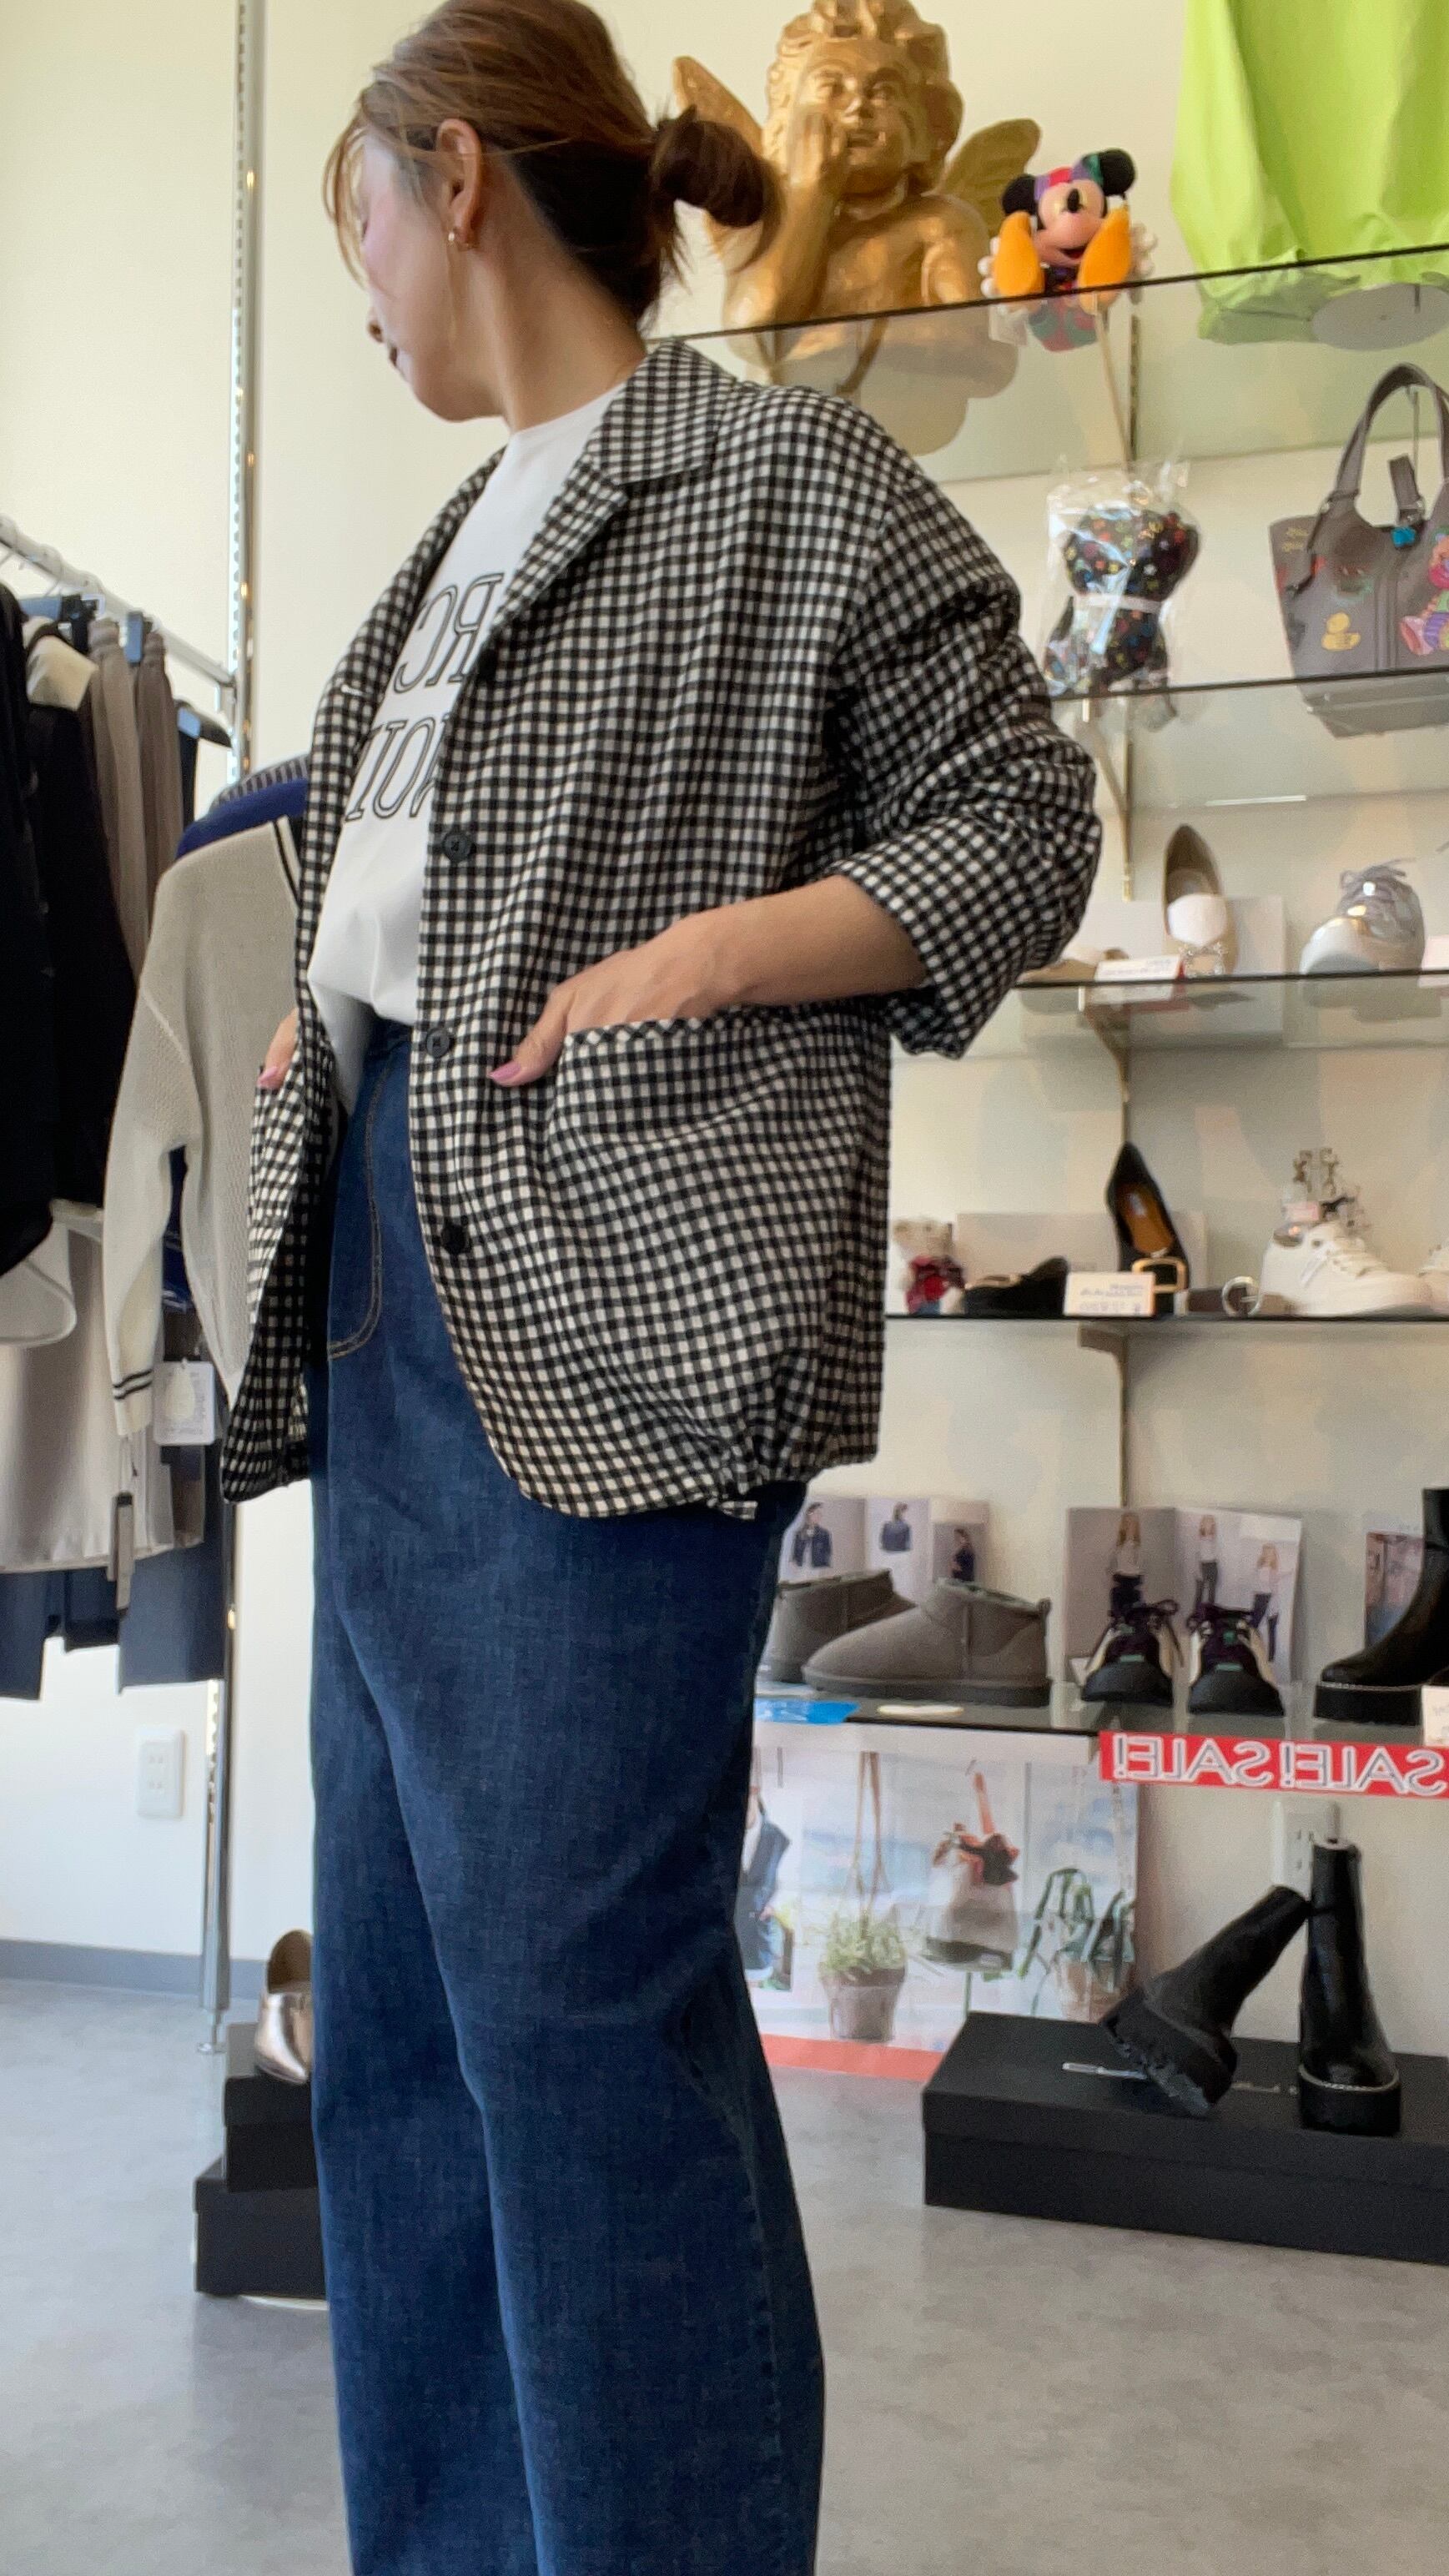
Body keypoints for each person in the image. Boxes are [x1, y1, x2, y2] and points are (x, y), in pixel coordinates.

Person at [230, 4, 1099, 2568]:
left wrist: (723, 953)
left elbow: (1019, 820)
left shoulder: (789, 476)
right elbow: (416, 886)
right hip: (382, 1289)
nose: (360, 293)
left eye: (357, 224)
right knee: (402, 2027)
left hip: (617, 1309)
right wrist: (329, 1006)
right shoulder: (451, 546)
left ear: (456, 179)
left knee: (579, 2027)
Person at [736, 1768, 792, 1978]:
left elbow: (787, 1882)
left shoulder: (778, 1839)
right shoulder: (717, 1835)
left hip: (758, 1942)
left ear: (754, 1791)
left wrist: (771, 1907)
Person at [790, 1498, 833, 1571]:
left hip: (817, 1568)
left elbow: (828, 1553)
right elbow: (795, 1552)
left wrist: (825, 1568)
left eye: (820, 1514)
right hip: (801, 1568)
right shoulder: (800, 1533)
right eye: (817, 1513)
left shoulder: (824, 1534)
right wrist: (793, 1563)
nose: (819, 1516)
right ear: (809, 1514)